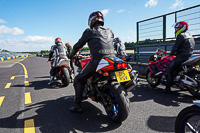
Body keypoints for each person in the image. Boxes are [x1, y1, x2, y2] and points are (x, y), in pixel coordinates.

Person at [69, 11, 115, 113]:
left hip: (98, 61)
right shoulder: (110, 31)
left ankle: (77, 106)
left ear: (91, 21)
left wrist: (72, 54)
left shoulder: (89, 31)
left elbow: (78, 46)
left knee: (78, 79)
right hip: (112, 59)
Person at [164, 21, 195, 93]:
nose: (176, 29)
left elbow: (175, 47)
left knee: (169, 69)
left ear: (182, 28)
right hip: (189, 56)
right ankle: (181, 85)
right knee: (178, 71)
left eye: (178, 28)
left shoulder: (181, 35)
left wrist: (171, 54)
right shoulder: (190, 35)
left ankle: (167, 89)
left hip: (181, 56)